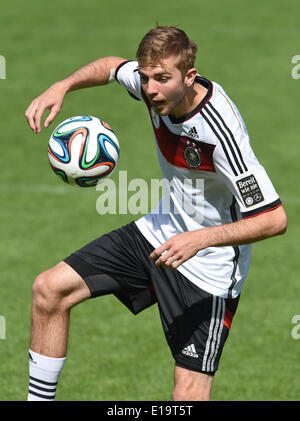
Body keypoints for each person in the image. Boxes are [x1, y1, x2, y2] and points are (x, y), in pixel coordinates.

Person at [25, 25, 287, 401]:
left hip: (209, 270)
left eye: (162, 79)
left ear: (189, 77)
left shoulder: (221, 133)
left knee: (188, 395)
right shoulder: (155, 86)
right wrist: (62, 86)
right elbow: (112, 66)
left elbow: (274, 218)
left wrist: (198, 239)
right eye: (146, 78)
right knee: (49, 290)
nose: (150, 89)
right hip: (159, 233)